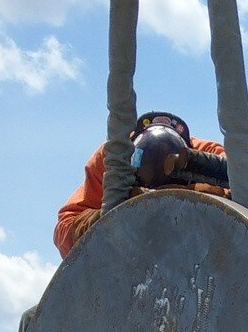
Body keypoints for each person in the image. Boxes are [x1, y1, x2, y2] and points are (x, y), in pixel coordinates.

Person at [54, 110, 225, 258]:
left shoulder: (209, 155)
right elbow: (64, 230)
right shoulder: (113, 159)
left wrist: (195, 197)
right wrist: (113, 213)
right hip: (128, 252)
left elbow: (243, 194)